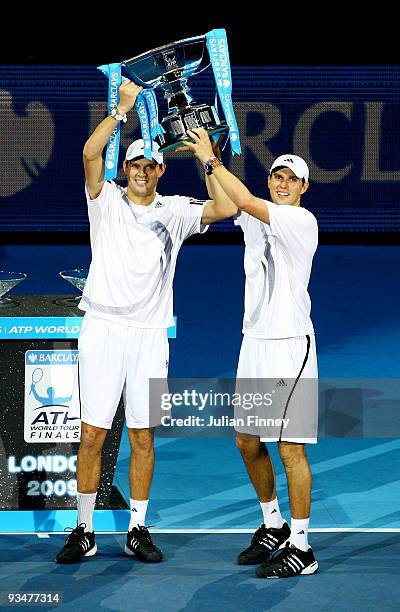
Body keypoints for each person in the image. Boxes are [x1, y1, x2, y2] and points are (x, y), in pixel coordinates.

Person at [55, 81, 236, 564]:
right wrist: (121, 111)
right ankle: (84, 528)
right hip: (102, 330)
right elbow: (90, 154)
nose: (141, 171)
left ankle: (137, 527)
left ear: (158, 170)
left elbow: (227, 207)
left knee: (142, 434)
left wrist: (206, 156)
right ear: (128, 169)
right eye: (134, 164)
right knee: (92, 433)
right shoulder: (105, 200)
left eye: (150, 165)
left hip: (150, 336)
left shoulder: (175, 210)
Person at [184, 128, 319, 579]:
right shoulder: (258, 214)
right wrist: (211, 156)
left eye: (291, 179)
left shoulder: (301, 221)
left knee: (290, 448)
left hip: (289, 348)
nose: (282, 183)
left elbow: (240, 199)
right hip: (255, 343)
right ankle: (273, 524)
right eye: (277, 176)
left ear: (303, 187)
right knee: (246, 440)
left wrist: (211, 159)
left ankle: (302, 547)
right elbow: (227, 199)